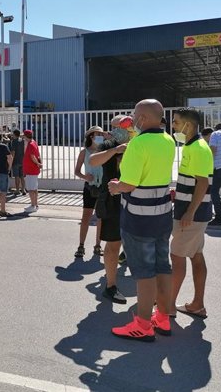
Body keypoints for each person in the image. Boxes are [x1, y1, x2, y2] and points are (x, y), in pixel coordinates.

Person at [108, 99, 176, 341]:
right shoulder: (168, 140)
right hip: (162, 215)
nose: (132, 119)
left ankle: (143, 324)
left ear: (144, 119)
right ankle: (163, 318)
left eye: (135, 115)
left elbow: (129, 183)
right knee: (162, 266)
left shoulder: (138, 144)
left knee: (144, 272)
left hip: (139, 217)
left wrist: (116, 187)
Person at [170, 108, 213, 319]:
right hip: (192, 211)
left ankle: (167, 306)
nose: (173, 126)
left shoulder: (197, 147)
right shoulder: (192, 146)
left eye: (176, 123)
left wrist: (189, 212)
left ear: (189, 125)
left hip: (191, 215)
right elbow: (195, 181)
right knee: (196, 256)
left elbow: (203, 183)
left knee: (177, 257)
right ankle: (197, 304)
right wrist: (178, 193)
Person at [89, 115, 133, 303]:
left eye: (124, 126)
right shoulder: (108, 146)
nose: (120, 130)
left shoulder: (138, 144)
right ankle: (110, 285)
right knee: (113, 243)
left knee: (134, 241)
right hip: (113, 199)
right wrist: (115, 149)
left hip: (134, 199)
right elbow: (93, 161)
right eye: (116, 127)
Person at [74, 126, 104, 258]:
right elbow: (77, 171)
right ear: (91, 136)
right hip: (90, 187)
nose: (100, 136)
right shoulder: (84, 152)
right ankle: (81, 245)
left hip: (102, 187)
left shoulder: (104, 151)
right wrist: (85, 177)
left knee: (100, 217)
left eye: (101, 134)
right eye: (97, 134)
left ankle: (98, 245)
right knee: (86, 216)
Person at [22, 130, 42, 214]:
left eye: (24, 136)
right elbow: (37, 155)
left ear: (26, 136)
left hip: (31, 170)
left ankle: (33, 205)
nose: (23, 137)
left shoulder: (30, 144)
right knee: (34, 188)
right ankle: (35, 205)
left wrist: (38, 163)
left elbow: (32, 156)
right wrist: (39, 163)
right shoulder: (34, 142)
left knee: (31, 189)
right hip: (32, 170)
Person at [9, 129, 25, 195]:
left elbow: (13, 152)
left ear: (14, 134)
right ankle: (23, 190)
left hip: (16, 161)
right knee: (22, 176)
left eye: (13, 134)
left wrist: (11, 160)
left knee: (17, 176)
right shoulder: (22, 140)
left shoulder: (14, 141)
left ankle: (17, 190)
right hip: (22, 160)